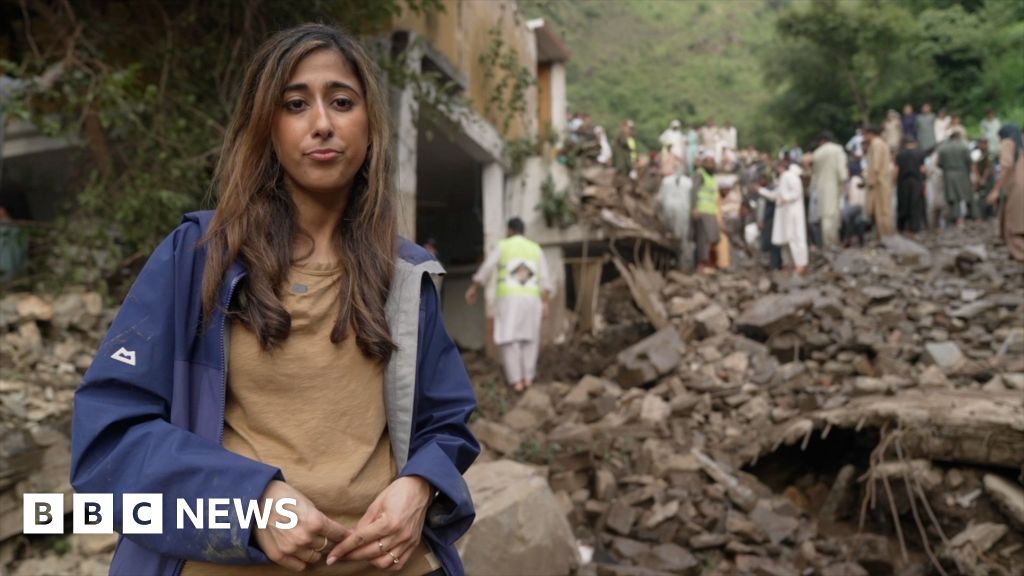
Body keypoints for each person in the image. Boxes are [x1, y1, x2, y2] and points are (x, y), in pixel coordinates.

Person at [70, 25, 478, 576]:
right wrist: (252, 502)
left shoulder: (404, 275)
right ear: (267, 128)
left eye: (341, 101)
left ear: (370, 127)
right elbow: (107, 437)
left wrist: (420, 486)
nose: (323, 123)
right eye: (294, 103)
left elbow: (447, 421)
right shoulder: (198, 258)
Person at [465, 217, 552, 392]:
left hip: (509, 299)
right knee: (530, 339)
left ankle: (516, 381)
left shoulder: (503, 245)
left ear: (510, 230)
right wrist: (546, 302)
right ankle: (528, 378)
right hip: (531, 299)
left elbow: (487, 267)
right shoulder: (535, 248)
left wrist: (474, 286)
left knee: (508, 338)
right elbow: (545, 279)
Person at [758, 159, 809, 275]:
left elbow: (796, 192)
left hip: (792, 214)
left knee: (795, 238)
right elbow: (775, 195)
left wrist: (786, 198)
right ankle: (790, 265)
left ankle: (800, 264)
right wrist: (761, 191)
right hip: (784, 215)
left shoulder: (790, 176)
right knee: (785, 240)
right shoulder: (783, 178)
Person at [986, 124, 1024, 261]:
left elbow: (1007, 166)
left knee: (1013, 225)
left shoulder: (1008, 143)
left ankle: (1020, 255)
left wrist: (996, 190)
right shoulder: (1021, 144)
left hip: (1016, 187)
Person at [809, 131, 849, 247]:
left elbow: (814, 173)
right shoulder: (837, 149)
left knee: (825, 215)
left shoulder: (817, 153)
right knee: (834, 215)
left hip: (821, 187)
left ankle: (827, 243)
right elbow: (842, 170)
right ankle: (833, 241)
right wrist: (844, 181)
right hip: (834, 185)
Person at [656, 168, 694, 269]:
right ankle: (678, 264)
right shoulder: (688, 182)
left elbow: (659, 199)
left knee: (671, 238)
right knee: (680, 239)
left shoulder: (666, 181)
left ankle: (673, 264)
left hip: (672, 212)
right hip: (681, 213)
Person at [690, 152, 721, 273]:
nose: (711, 164)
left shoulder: (712, 177)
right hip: (701, 210)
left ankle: (708, 263)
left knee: (713, 237)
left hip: (711, 211)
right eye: (708, 162)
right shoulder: (699, 175)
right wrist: (695, 208)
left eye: (712, 162)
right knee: (702, 239)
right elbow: (693, 192)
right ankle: (701, 265)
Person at [864, 124, 895, 237]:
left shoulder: (875, 144)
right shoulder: (882, 143)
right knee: (885, 208)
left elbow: (875, 165)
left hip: (879, 181)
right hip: (884, 180)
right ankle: (885, 233)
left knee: (881, 209)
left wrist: (872, 180)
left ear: (869, 134)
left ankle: (885, 234)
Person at [938, 131, 973, 227]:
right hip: (962, 173)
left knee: (951, 197)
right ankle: (960, 219)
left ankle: (952, 218)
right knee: (962, 196)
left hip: (948, 173)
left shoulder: (942, 149)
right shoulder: (964, 147)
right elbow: (969, 161)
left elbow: (939, 164)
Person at [895, 137, 929, 233]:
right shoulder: (920, 154)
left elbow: (896, 170)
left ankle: (902, 226)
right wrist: (924, 183)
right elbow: (923, 169)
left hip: (903, 182)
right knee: (916, 204)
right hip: (916, 181)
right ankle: (915, 227)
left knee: (903, 204)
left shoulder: (900, 155)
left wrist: (894, 182)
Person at [974, 138, 996, 219]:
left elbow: (988, 168)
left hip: (989, 179)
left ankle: (990, 213)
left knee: (988, 194)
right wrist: (978, 178)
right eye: (981, 143)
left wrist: (982, 179)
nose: (981, 145)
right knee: (982, 196)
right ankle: (983, 214)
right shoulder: (977, 154)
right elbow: (974, 167)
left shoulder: (989, 154)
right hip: (981, 178)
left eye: (983, 144)